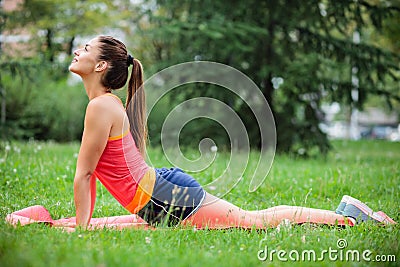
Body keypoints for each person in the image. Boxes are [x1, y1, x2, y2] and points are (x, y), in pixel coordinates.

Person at [68, 35, 395, 230]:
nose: (77, 51)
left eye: (85, 48)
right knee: (242, 220)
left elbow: (84, 174)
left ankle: (346, 216)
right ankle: (345, 215)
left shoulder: (101, 107)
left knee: (251, 221)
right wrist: (82, 223)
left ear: (101, 66)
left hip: (163, 197)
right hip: (157, 196)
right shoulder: (106, 104)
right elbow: (91, 174)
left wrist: (81, 228)